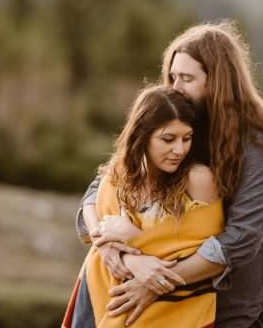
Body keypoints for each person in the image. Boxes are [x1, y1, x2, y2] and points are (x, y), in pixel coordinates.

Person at [78, 21, 263, 328]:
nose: (175, 87)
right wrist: (114, 250)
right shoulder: (179, 130)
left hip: (231, 311)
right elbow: (98, 191)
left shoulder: (255, 148)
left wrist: (155, 282)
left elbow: (240, 239)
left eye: (187, 78)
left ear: (218, 82)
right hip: (164, 311)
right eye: (172, 77)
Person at [63, 85, 225, 328]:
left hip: (173, 314)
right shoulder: (121, 172)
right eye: (168, 139)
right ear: (143, 135)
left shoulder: (198, 180)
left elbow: (211, 254)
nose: (179, 150)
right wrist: (125, 256)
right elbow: (95, 212)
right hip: (97, 293)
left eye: (187, 138)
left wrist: (134, 238)